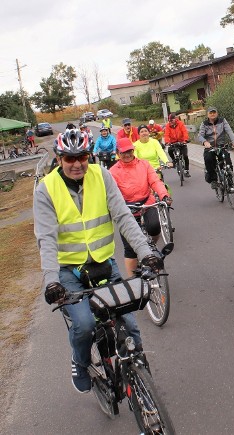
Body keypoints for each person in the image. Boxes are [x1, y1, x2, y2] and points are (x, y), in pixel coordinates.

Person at [33, 129, 163, 394]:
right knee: (84, 325)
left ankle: (138, 373)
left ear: (89, 156)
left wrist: (146, 251)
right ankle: (79, 362)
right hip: (69, 272)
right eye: (69, 158)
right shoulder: (46, 189)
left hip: (104, 265)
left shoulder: (101, 176)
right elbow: (46, 239)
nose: (77, 163)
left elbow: (124, 217)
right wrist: (52, 282)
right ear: (59, 159)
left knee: (130, 325)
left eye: (81, 156)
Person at [110, 138, 172, 277]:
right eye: (123, 152)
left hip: (146, 203)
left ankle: (151, 246)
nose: (127, 154)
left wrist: (164, 195)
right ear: (118, 153)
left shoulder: (144, 164)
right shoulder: (113, 171)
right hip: (126, 210)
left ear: (133, 151)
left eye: (129, 151)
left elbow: (155, 181)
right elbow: (112, 193)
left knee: (155, 226)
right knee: (130, 248)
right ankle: (134, 284)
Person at [197, 107, 234, 189]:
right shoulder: (204, 123)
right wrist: (205, 142)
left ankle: (230, 183)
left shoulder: (222, 121)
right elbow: (200, 135)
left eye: (214, 112)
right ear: (207, 114)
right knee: (208, 159)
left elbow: (229, 131)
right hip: (210, 146)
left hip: (221, 146)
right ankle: (213, 180)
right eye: (210, 113)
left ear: (217, 113)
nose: (212, 114)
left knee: (227, 161)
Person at [165, 113, 191, 177]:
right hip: (173, 142)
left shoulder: (180, 124)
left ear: (175, 119)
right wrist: (167, 142)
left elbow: (184, 132)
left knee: (185, 156)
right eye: (169, 120)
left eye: (172, 120)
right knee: (170, 151)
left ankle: (186, 170)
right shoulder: (168, 126)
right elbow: (166, 134)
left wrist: (185, 140)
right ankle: (174, 161)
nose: (170, 122)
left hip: (181, 142)